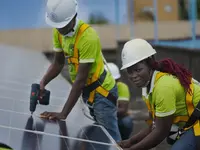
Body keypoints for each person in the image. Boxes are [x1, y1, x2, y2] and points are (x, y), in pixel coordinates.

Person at [39, 0, 121, 142]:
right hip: (88, 91)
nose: (59, 29)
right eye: (57, 26)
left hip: (102, 92)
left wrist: (63, 114)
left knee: (110, 139)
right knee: (99, 137)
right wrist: (43, 83)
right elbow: (58, 63)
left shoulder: (88, 37)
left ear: (73, 16)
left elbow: (80, 80)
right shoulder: (58, 31)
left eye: (62, 26)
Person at [117, 38, 200, 150]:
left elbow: (161, 131)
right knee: (173, 138)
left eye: (138, 70)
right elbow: (154, 126)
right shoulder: (147, 87)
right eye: (130, 71)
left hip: (196, 121)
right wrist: (130, 142)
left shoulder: (163, 87)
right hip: (191, 120)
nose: (133, 76)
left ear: (150, 64)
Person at [106, 62, 133, 140]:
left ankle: (123, 141)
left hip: (116, 118)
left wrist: (104, 112)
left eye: (115, 80)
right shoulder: (98, 88)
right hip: (102, 118)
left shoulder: (122, 87)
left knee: (126, 122)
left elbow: (123, 110)